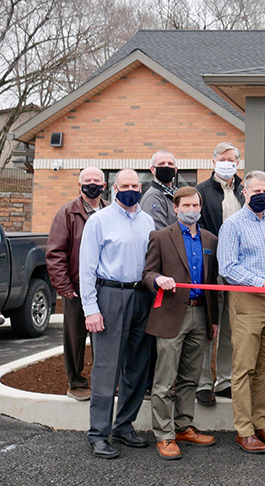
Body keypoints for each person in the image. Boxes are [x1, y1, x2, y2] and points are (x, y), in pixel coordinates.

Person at [79, 169, 155, 459]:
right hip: (110, 295)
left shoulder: (147, 221)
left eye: (135, 185)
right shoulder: (99, 221)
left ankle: (124, 426)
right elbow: (86, 267)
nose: (131, 190)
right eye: (125, 185)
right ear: (114, 188)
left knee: (137, 365)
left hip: (142, 297)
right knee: (106, 369)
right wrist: (91, 309)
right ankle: (98, 433)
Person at [142, 186, 219, 460]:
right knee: (164, 381)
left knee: (190, 376)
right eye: (185, 206)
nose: (191, 210)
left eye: (195, 206)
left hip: (201, 314)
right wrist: (157, 280)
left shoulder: (210, 239)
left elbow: (213, 283)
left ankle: (184, 425)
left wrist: (214, 321)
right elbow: (147, 273)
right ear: (175, 208)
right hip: (172, 315)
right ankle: (164, 435)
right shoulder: (161, 237)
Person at [218, 170, 265, 454]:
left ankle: (261, 423)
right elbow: (228, 267)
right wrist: (261, 283)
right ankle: (244, 430)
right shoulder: (232, 225)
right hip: (247, 300)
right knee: (244, 367)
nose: (261, 196)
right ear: (244, 192)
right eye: (255, 192)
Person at [46, 166, 109, 402]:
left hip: (106, 288)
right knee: (75, 338)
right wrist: (65, 287)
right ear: (79, 185)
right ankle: (76, 383)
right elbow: (55, 254)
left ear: (104, 186)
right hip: (76, 289)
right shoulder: (67, 214)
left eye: (96, 180)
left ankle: (103, 381)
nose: (92, 184)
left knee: (104, 338)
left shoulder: (110, 212)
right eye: (87, 180)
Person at [195, 142, 245, 406]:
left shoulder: (243, 191)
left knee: (228, 328)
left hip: (238, 271)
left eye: (232, 159)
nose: (228, 163)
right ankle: (203, 382)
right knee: (208, 327)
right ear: (214, 161)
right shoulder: (202, 192)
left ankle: (224, 381)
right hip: (211, 269)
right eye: (223, 159)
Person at [141, 150, 179, 230]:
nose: (166, 167)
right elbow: (160, 234)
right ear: (152, 170)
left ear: (175, 169)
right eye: (161, 164)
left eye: (170, 164)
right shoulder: (153, 197)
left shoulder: (178, 194)